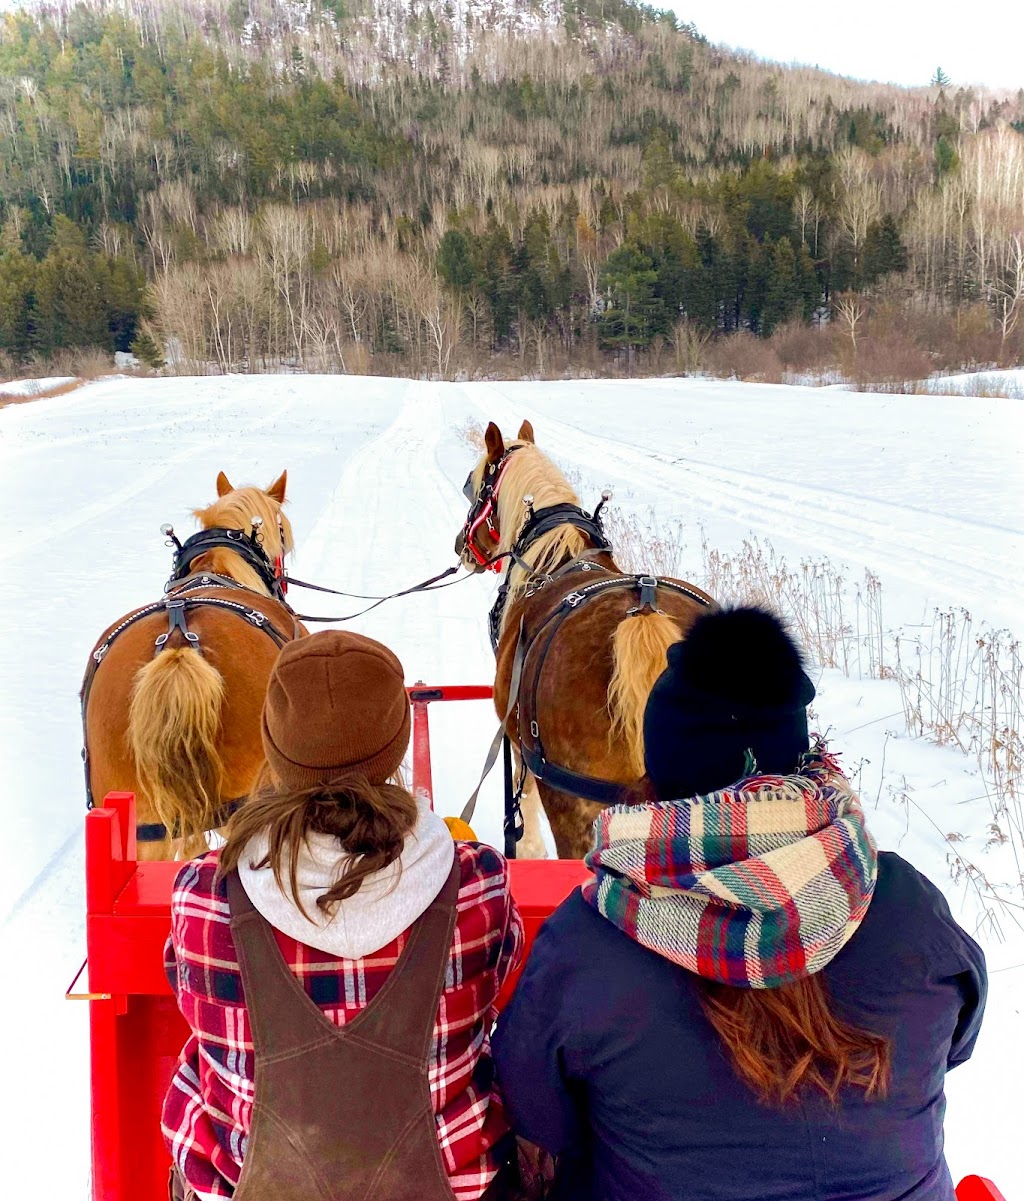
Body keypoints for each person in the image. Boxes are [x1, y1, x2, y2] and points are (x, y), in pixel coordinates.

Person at [493, 606, 987, 1201]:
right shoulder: (910, 906)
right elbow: (956, 1041)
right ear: (801, 759)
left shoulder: (587, 940)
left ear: (658, 774)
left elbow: (538, 1112)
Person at [162, 630, 524, 1200]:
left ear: (276, 747)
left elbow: (184, 990)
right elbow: (500, 979)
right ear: (396, 744)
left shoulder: (205, 893)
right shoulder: (477, 882)